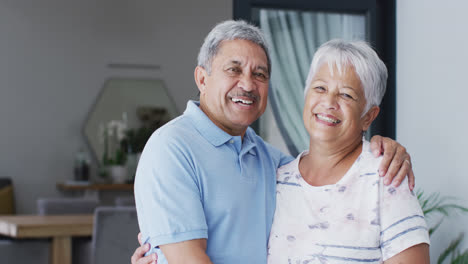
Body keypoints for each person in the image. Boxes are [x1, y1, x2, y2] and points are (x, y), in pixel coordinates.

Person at [132, 20, 414, 264]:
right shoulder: (171, 148)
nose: (247, 84)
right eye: (234, 69)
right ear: (202, 79)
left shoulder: (276, 165)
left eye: (260, 74)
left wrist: (386, 149)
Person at [267, 39, 429, 263]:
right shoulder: (277, 179)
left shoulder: (385, 176)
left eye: (346, 95)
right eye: (320, 88)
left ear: (368, 116)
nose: (329, 102)